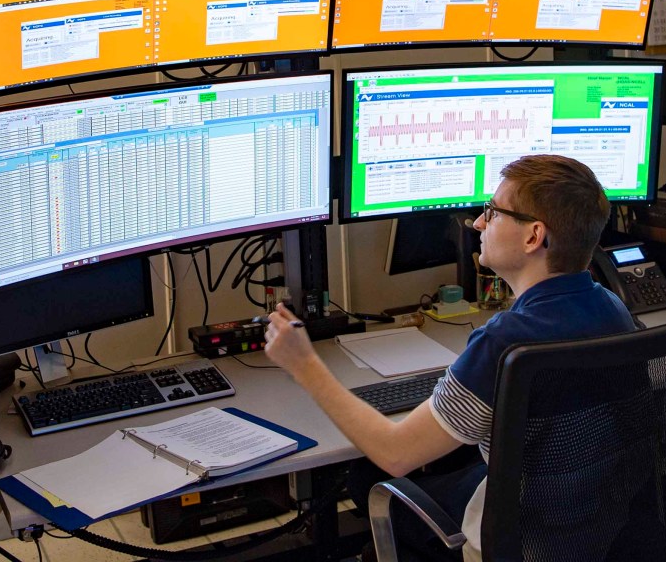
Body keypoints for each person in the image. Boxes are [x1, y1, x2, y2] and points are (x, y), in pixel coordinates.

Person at [263, 154, 636, 561]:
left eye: (492, 213)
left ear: (533, 237)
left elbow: (396, 453)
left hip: (518, 540)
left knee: (369, 473)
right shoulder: (613, 309)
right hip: (591, 520)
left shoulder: (505, 342)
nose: (477, 223)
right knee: (452, 460)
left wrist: (304, 365)